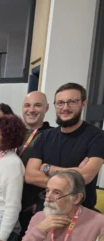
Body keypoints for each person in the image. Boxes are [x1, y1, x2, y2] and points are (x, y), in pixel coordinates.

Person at [25, 82, 104, 210]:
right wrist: (74, 176)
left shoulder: (98, 137)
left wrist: (48, 168)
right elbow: (30, 176)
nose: (65, 108)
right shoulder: (44, 136)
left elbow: (85, 176)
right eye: (60, 103)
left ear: (84, 104)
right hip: (45, 210)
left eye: (72, 102)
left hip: (79, 213)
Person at [18, 92, 52, 241]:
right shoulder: (14, 133)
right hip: (13, 204)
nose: (31, 110)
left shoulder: (51, 135)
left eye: (37, 105)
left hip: (35, 207)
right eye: (27, 105)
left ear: (46, 108)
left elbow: (51, 175)